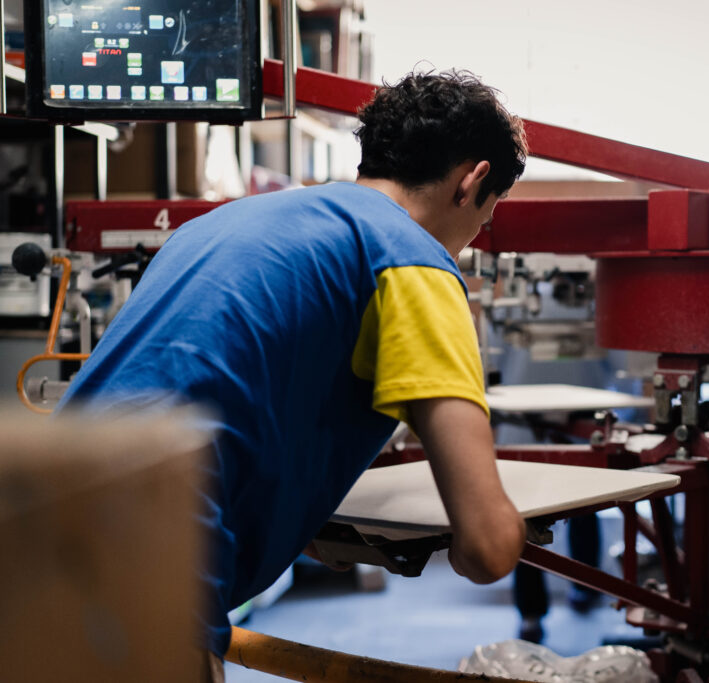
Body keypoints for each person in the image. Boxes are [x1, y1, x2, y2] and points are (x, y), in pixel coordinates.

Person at [55, 69, 528, 674]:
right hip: (147, 579)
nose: (471, 238)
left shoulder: (219, 225)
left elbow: (219, 392)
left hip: (32, 524)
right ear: (473, 182)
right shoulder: (413, 261)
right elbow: (488, 548)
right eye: (485, 221)